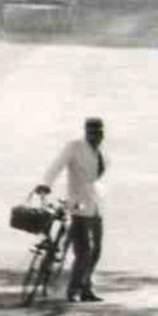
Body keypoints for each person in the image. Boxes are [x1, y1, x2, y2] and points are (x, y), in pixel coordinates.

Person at [35, 117, 109, 302]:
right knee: (84, 250)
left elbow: (96, 181)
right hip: (77, 205)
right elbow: (57, 165)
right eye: (92, 132)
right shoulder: (75, 147)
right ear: (85, 132)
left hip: (96, 205)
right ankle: (73, 290)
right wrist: (45, 183)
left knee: (97, 249)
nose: (96, 136)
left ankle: (85, 286)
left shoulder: (101, 154)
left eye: (99, 132)